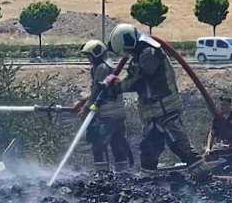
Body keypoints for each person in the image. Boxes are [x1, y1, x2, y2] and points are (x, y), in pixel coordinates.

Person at [104, 24, 223, 178]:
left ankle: (202, 173)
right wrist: (117, 83)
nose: (125, 54)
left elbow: (140, 81)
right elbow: (133, 76)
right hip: (153, 112)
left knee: (178, 143)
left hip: (165, 109)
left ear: (129, 42)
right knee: (148, 148)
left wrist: (117, 88)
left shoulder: (150, 53)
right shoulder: (138, 56)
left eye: (125, 50)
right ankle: (147, 178)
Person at [79, 39, 133, 172]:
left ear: (96, 54)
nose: (89, 59)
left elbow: (97, 91)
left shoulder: (101, 68)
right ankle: (123, 173)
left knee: (99, 144)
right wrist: (83, 101)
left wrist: (86, 108)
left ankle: (102, 174)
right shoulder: (109, 66)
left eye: (89, 56)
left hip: (107, 115)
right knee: (118, 143)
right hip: (118, 114)